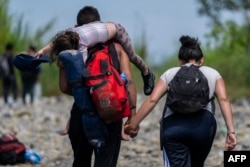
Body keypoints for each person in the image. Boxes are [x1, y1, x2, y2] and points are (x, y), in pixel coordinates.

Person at [125, 35, 237, 167]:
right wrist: (231, 132)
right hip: (203, 130)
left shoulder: (170, 73)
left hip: (173, 130)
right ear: (202, 60)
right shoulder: (213, 74)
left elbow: (152, 100)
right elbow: (223, 100)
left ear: (180, 61)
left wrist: (133, 124)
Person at [36, 7, 155, 96]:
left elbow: (82, 69)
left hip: (116, 30)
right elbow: (55, 42)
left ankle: (147, 73)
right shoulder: (69, 32)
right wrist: (42, 51)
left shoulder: (81, 44)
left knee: (131, 55)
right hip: (98, 28)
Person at [0, 43, 18, 109]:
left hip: (4, 76)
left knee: (5, 89)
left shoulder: (3, 55)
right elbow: (12, 65)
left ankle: (6, 102)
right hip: (11, 75)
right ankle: (14, 101)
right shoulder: (10, 55)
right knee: (14, 88)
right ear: (11, 49)